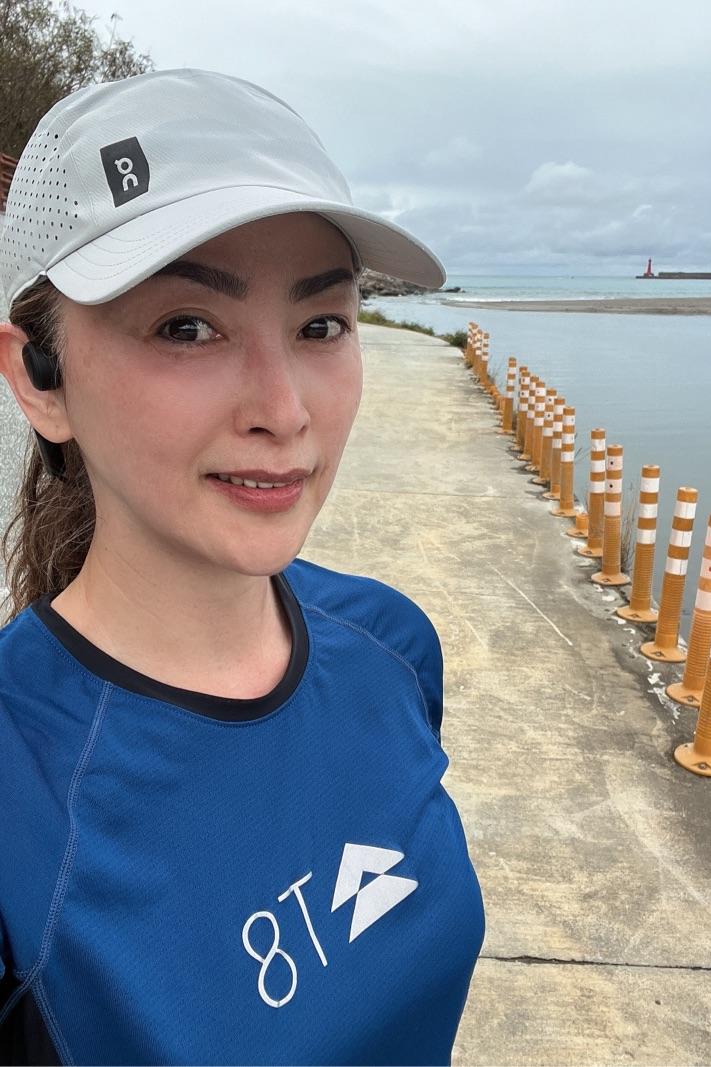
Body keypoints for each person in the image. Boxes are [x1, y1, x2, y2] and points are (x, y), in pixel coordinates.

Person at [0, 69, 485, 1066]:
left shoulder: (392, 645)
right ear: (40, 379)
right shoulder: (21, 793)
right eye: (187, 327)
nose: (284, 409)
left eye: (321, 325)